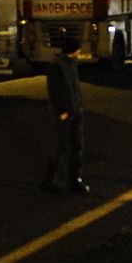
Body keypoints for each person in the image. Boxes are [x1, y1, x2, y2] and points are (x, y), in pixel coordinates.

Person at [42, 36, 89, 194]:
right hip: (65, 113)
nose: (79, 51)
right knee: (60, 147)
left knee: (76, 146)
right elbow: (55, 91)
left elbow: (73, 88)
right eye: (77, 49)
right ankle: (50, 181)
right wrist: (63, 111)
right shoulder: (58, 66)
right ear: (73, 50)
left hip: (75, 111)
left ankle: (74, 180)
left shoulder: (70, 63)